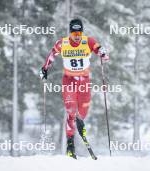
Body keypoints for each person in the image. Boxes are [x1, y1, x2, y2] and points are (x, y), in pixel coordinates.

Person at [40, 18, 109, 158]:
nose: (77, 37)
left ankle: (80, 121)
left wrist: (103, 53)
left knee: (83, 111)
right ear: (70, 33)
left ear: (82, 33)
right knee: (71, 110)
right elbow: (52, 55)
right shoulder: (63, 43)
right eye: (74, 34)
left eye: (79, 33)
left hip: (84, 82)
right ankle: (70, 144)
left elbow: (101, 51)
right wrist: (45, 69)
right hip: (69, 81)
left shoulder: (88, 41)